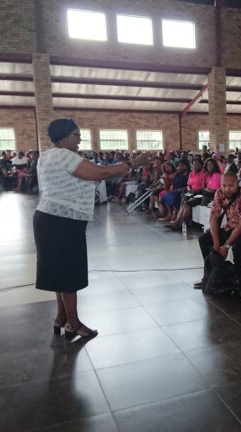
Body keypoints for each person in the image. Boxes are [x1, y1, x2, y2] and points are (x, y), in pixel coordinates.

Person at [34, 118, 147, 340]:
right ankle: (74, 323)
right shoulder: (64, 155)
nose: (79, 140)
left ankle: (61, 317)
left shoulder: (46, 155)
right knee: (68, 273)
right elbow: (100, 173)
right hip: (62, 221)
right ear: (64, 136)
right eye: (77, 135)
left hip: (48, 218)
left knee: (59, 271)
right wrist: (134, 163)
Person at [194, 171, 241, 290]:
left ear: (237, 184)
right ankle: (211, 275)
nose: (227, 189)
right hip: (231, 227)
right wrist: (216, 243)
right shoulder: (219, 193)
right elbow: (213, 218)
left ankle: (236, 277)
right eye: (224, 185)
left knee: (238, 246)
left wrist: (226, 246)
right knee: (204, 240)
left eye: (231, 186)